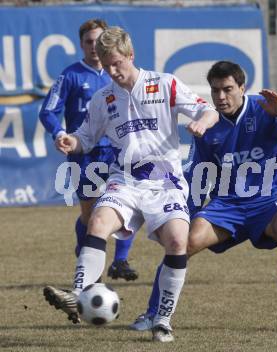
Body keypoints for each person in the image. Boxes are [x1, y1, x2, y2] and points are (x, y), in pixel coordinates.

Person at [42, 26, 219, 343]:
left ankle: (163, 319)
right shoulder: (103, 97)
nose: (111, 71)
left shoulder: (165, 84)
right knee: (96, 222)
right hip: (124, 178)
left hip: (164, 180)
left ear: (130, 56)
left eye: (116, 64)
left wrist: (201, 122)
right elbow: (86, 136)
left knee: (178, 242)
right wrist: (72, 141)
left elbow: (208, 110)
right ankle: (79, 295)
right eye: (106, 65)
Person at [130, 60, 277, 332]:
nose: (220, 97)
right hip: (227, 205)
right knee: (184, 243)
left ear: (242, 87)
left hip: (269, 198)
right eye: (215, 90)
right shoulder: (208, 126)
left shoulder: (265, 107)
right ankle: (152, 314)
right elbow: (198, 176)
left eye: (228, 89)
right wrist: (184, 217)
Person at [39, 19, 138, 281]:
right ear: (81, 44)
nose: (94, 47)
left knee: (127, 202)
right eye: (89, 42)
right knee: (91, 211)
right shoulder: (71, 75)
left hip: (117, 150)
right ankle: (87, 255)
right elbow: (48, 110)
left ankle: (120, 261)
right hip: (85, 153)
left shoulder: (119, 72)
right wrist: (60, 133)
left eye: (99, 41)